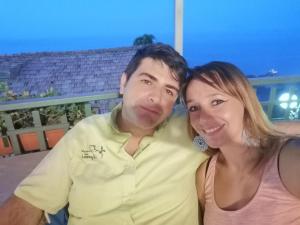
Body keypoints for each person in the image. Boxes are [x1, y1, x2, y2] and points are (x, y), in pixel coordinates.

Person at [0, 43, 207, 225]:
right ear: (123, 83)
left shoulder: (189, 132)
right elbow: (29, 200)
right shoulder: (85, 133)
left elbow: (224, 132)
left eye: (169, 91)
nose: (156, 97)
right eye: (147, 81)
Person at [181, 61, 300, 225]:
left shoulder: (289, 159)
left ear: (244, 101)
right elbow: (195, 140)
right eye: (194, 108)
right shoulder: (205, 175)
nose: (203, 118)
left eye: (216, 102)